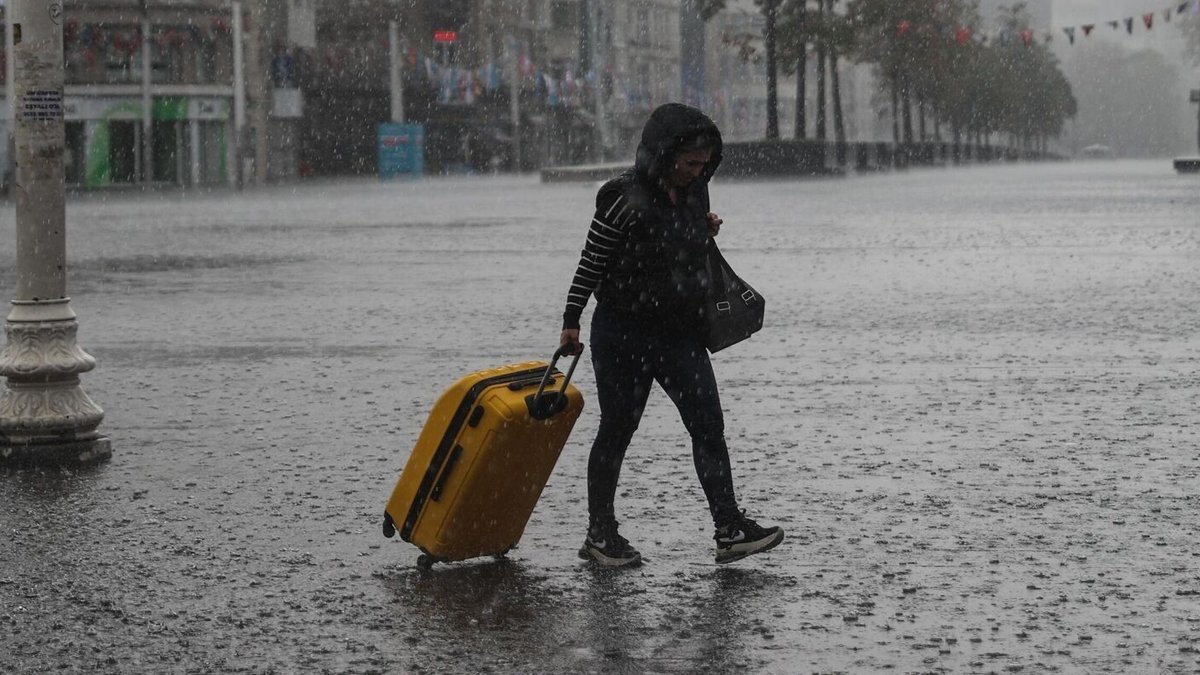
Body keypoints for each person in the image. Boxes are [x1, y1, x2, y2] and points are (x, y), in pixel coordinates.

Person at [559, 102, 784, 567]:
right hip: (624, 333)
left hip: (679, 331)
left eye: (704, 165)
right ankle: (600, 535)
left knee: (708, 426)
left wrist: (703, 229)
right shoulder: (622, 197)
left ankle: (729, 528)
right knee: (618, 430)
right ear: (663, 155)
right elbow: (591, 261)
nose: (697, 173)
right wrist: (571, 320)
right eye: (689, 164)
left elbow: (681, 247)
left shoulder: (696, 191)